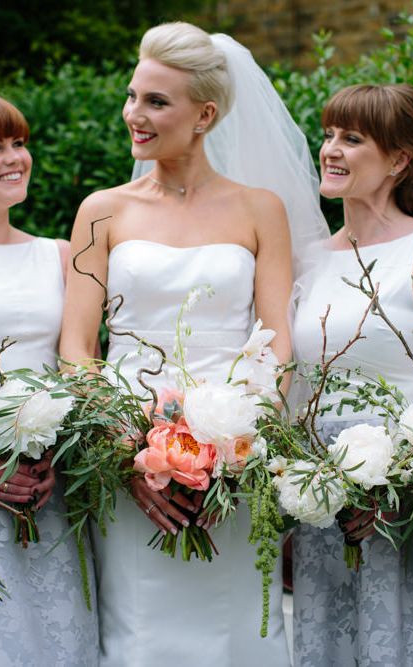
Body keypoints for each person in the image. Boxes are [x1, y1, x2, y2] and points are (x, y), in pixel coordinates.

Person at [60, 22, 327, 666]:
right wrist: (130, 452)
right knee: (139, 630)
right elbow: (76, 344)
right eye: (133, 96)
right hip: (125, 463)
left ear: (205, 114)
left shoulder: (261, 209)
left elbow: (277, 341)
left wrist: (235, 447)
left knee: (234, 627)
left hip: (233, 464)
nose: (135, 114)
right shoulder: (103, 210)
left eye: (156, 101)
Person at [291, 83, 413, 666]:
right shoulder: (310, 258)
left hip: (406, 498)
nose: (331, 150)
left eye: (352, 139)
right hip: (321, 496)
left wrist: (399, 481)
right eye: (328, 136)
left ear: (399, 161)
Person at [0, 95, 99, 666]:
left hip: (46, 488)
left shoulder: (58, 257)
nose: (14, 158)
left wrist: (59, 453)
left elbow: (83, 368)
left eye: (18, 142)